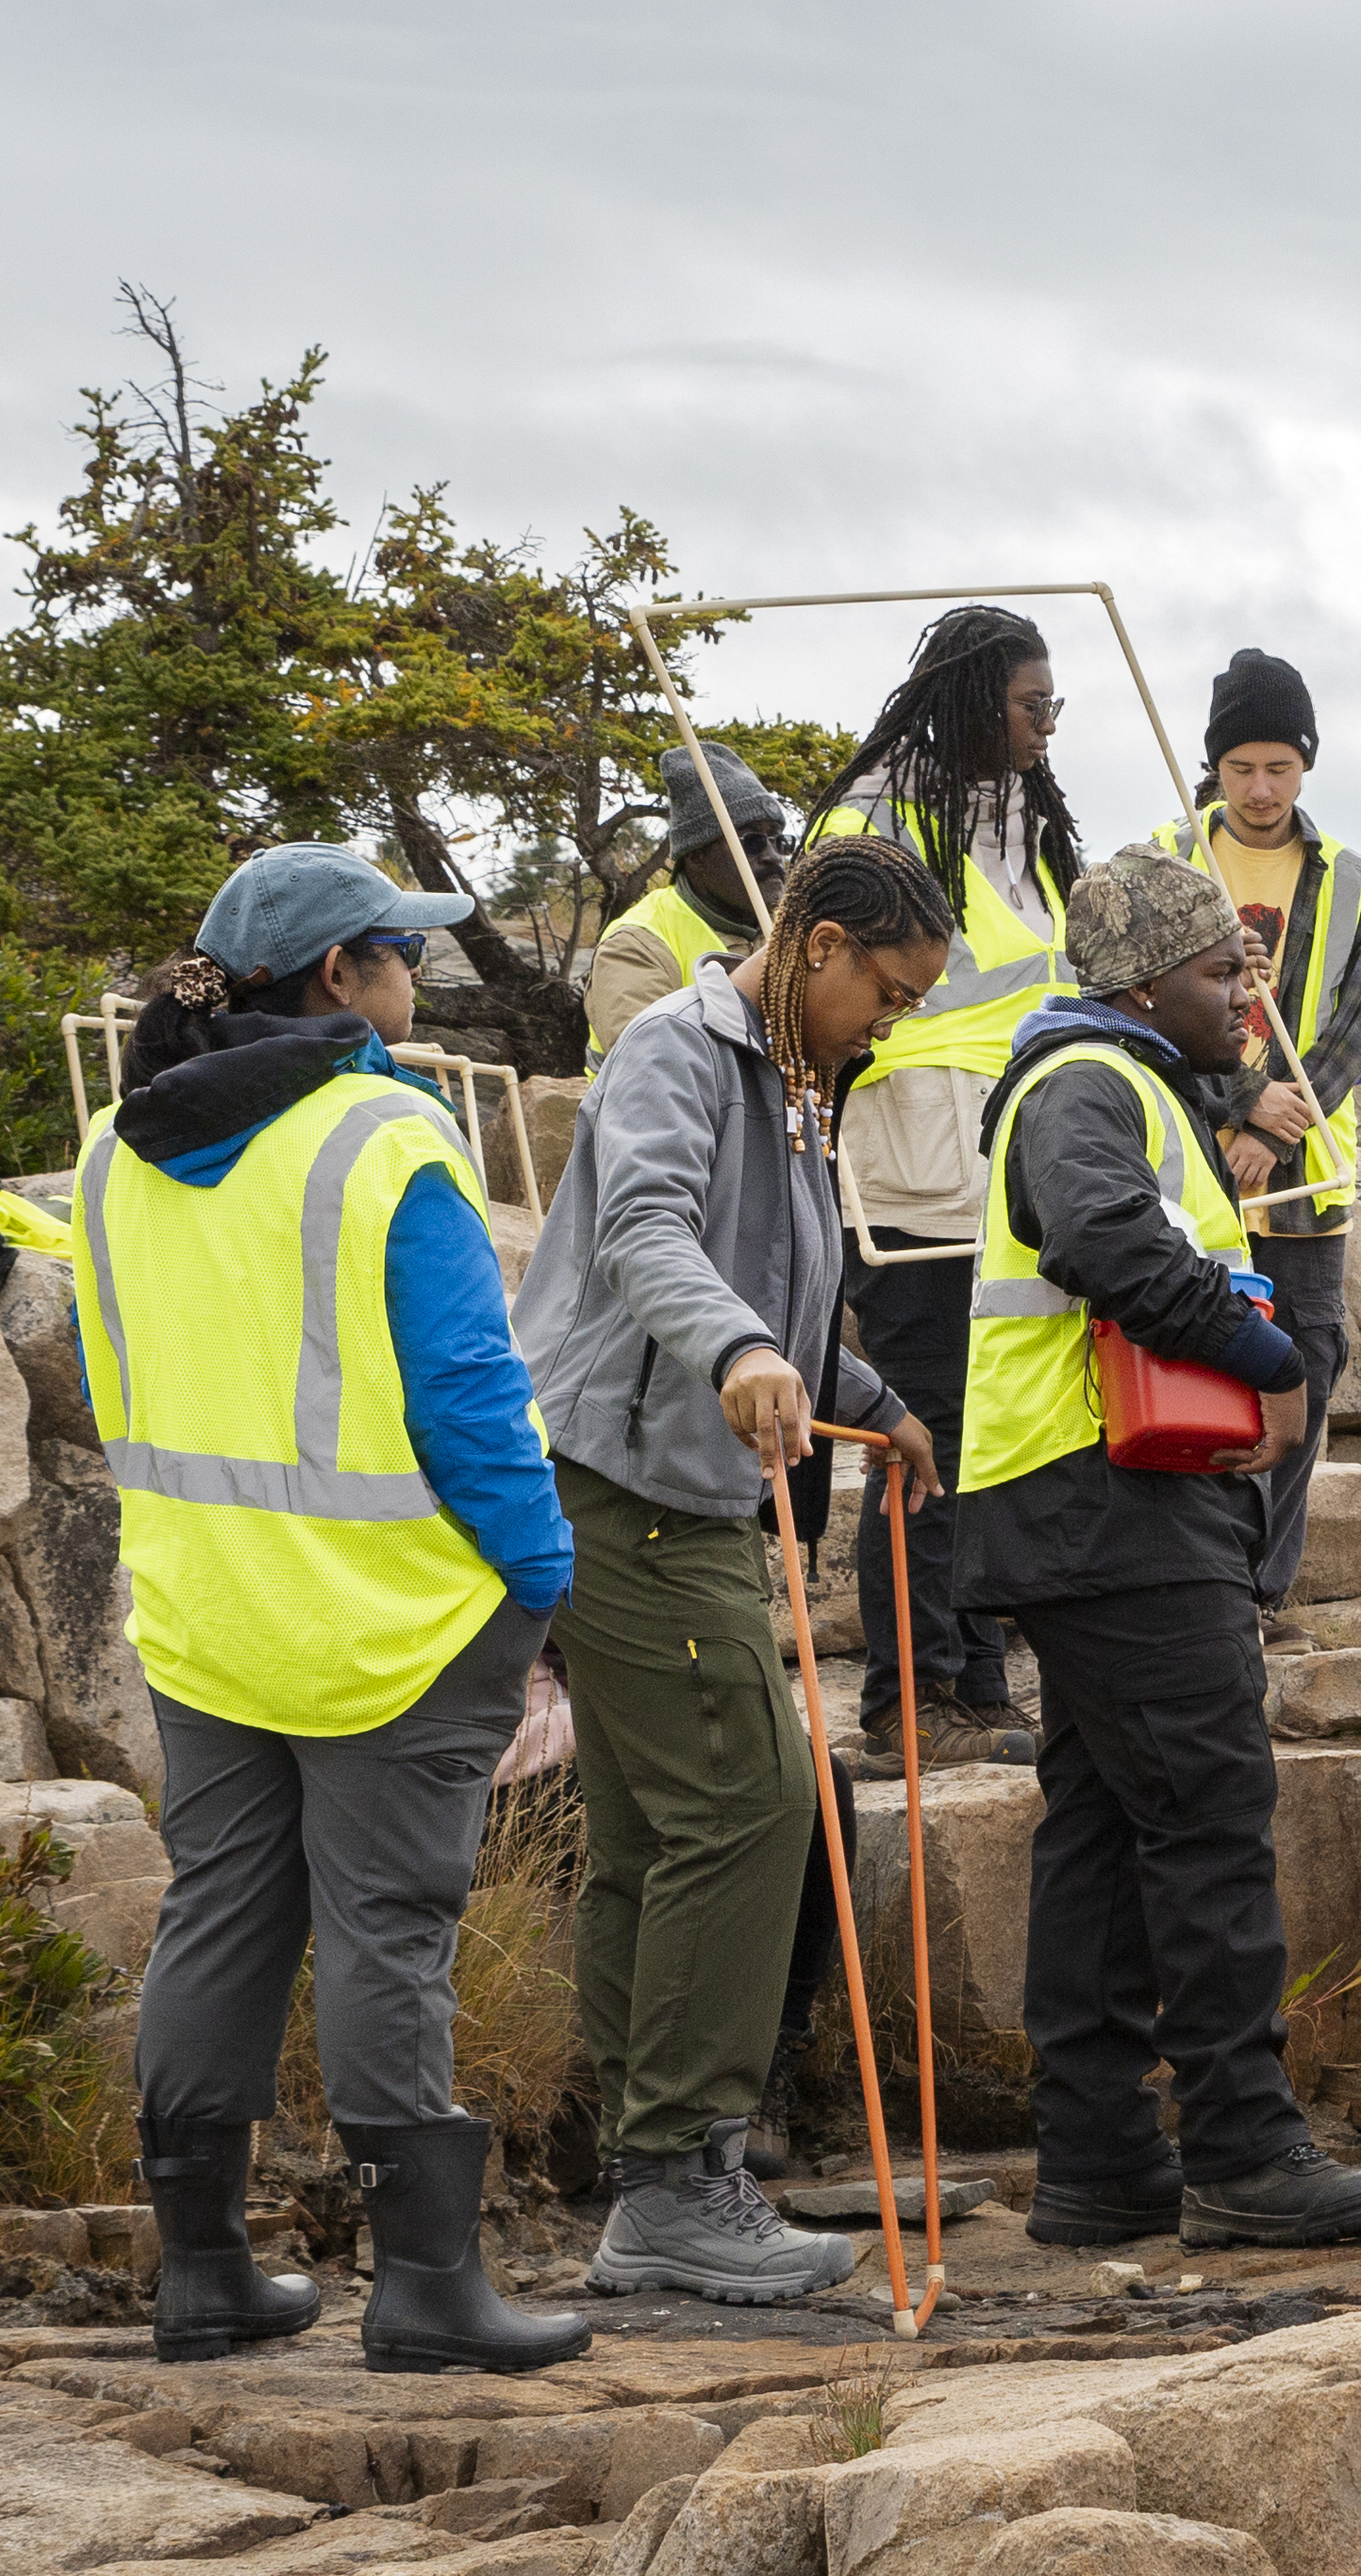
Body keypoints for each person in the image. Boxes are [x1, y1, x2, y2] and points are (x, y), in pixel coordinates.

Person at [86, 843, 591, 2374]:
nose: (416, 977)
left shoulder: (118, 1144)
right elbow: (470, 1401)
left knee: (221, 1912)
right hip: (391, 1625)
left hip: (202, 1615)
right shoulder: (382, 1135)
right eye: (400, 953)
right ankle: (428, 2286)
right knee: (389, 1928)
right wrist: (546, 1582)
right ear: (335, 979)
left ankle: (204, 2275)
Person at [513, 834, 956, 2300]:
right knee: (757, 1799)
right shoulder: (676, 1053)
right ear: (818, 944)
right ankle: (684, 2170)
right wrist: (744, 1351)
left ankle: (649, 2177)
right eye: (885, 991)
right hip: (626, 1491)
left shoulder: (794, 1086)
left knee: (653, 1831)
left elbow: (772, 1283)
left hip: (675, 1491)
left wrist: (867, 1395)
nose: (889, 1022)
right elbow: (648, 1232)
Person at [959, 845, 1361, 2251]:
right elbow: (1103, 1236)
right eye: (1223, 974)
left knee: (1099, 1825)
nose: (1244, 1004)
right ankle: (1241, 2146)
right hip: (1111, 1506)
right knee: (1210, 1810)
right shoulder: (1088, 1082)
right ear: (1150, 981)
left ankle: (1095, 2162)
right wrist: (1264, 1351)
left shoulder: (1123, 1082)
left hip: (1079, 1499)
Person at [807, 606, 1080, 1771]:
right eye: (1032, 705)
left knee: (989, 1437)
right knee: (922, 1435)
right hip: (912, 1162)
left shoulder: (1019, 818)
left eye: (1053, 707)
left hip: (998, 1160)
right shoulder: (877, 817)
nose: (1045, 728)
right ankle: (907, 1699)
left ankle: (971, 1679)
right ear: (978, 703)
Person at [1146, 648, 1361, 1609]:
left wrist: (1277, 1128)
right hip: (1194, 1172)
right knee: (1190, 1370)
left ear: (1307, 765)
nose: (1259, 787)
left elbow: (1356, 1032)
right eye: (1240, 766)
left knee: (1306, 1379)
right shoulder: (1167, 857)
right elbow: (1142, 1012)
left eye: (1279, 767)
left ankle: (1265, 1592)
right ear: (1214, 767)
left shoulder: (1354, 882)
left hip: (1306, 1183)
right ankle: (1192, 1581)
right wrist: (1238, 1100)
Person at [584, 741, 787, 1068]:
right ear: (696, 855)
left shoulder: (794, 928)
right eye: (751, 841)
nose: (773, 855)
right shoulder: (636, 943)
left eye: (779, 840)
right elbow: (653, 1066)